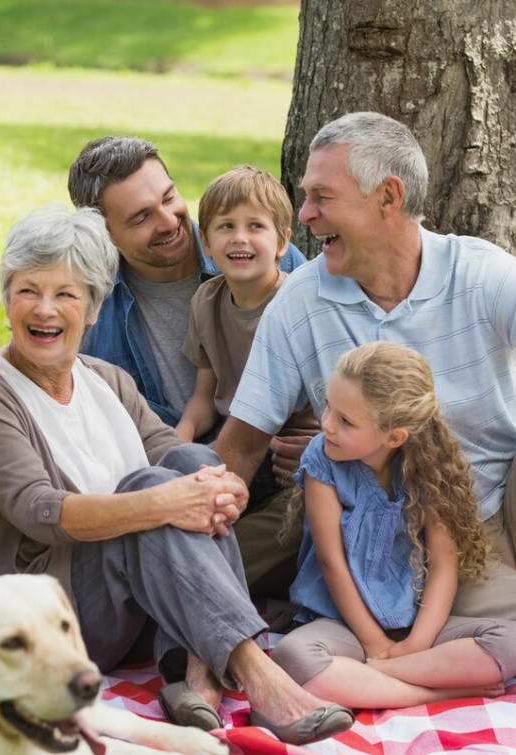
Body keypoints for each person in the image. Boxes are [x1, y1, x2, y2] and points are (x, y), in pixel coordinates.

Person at [0, 206, 354, 746]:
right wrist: (167, 503)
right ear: (6, 298)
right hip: (49, 623)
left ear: (93, 309)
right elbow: (40, 512)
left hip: (137, 615)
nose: (45, 309)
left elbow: (175, 454)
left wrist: (222, 486)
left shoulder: (107, 379)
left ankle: (197, 674)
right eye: (28, 290)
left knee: (191, 464)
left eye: (66, 294)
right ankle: (257, 674)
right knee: (152, 489)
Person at [217, 111, 516, 619]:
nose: (306, 214)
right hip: (354, 525)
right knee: (189, 570)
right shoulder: (299, 302)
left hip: (478, 515)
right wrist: (182, 515)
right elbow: (241, 447)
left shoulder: (484, 277)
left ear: (388, 198)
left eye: (322, 196)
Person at [271, 342, 516, 708]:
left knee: (508, 642)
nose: (326, 425)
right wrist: (375, 644)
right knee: (293, 658)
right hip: (345, 625)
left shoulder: (429, 467)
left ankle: (372, 679)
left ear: (395, 437)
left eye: (346, 421)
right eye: (329, 409)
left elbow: (444, 567)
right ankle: (442, 690)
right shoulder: (322, 457)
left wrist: (414, 645)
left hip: (416, 622)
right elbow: (331, 564)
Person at [67, 136, 307, 428]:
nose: (168, 221)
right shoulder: (91, 304)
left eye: (168, 197)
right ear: (105, 234)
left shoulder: (268, 256)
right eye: (142, 217)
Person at [177, 165, 317, 595]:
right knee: (181, 497)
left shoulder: (301, 302)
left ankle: (209, 582)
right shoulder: (207, 300)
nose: (239, 238)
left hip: (289, 461)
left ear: (283, 241)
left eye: (255, 226)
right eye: (225, 226)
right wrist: (175, 448)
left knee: (279, 531)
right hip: (231, 447)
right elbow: (205, 398)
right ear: (206, 241)